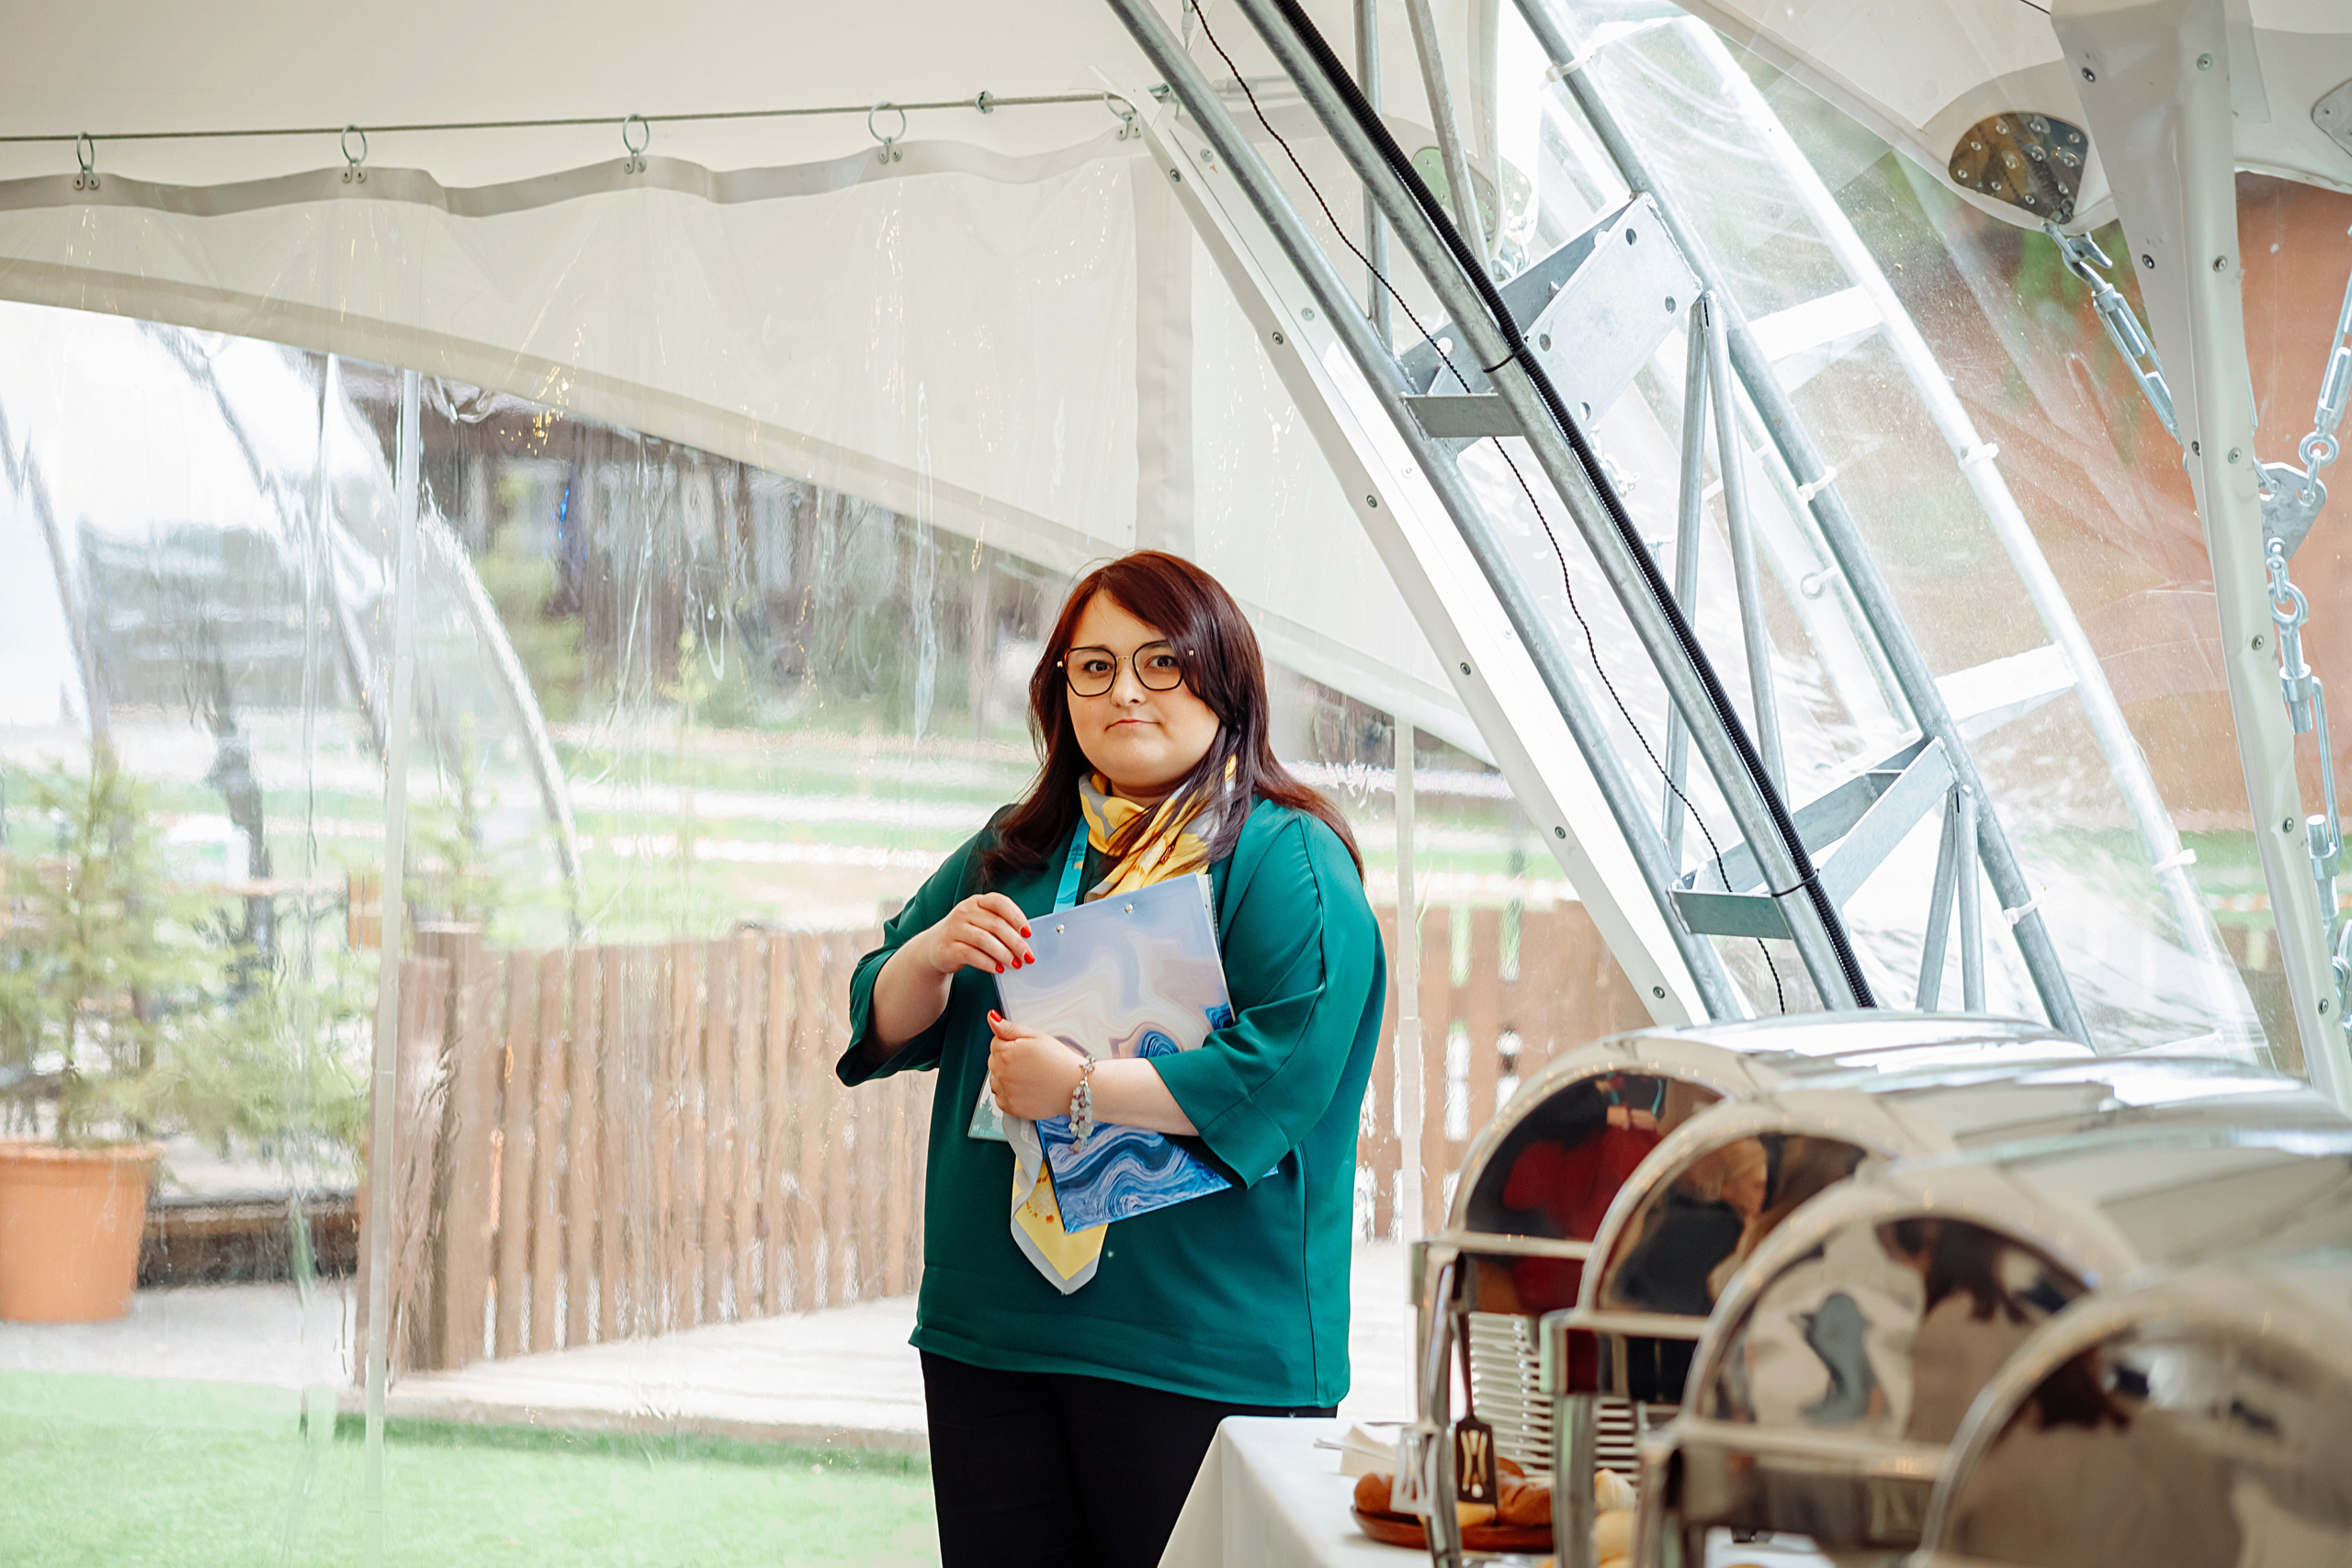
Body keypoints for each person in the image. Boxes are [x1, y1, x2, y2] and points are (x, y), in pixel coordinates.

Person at [838, 550, 1386, 1568]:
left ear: (1224, 678)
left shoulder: (1282, 858)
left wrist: (1081, 1089)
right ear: (1058, 694)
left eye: (1160, 662)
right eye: (1090, 668)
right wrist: (928, 950)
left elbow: (1282, 1068)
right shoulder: (1018, 846)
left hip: (1201, 1343)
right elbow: (884, 1015)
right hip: (991, 1328)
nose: (1123, 690)